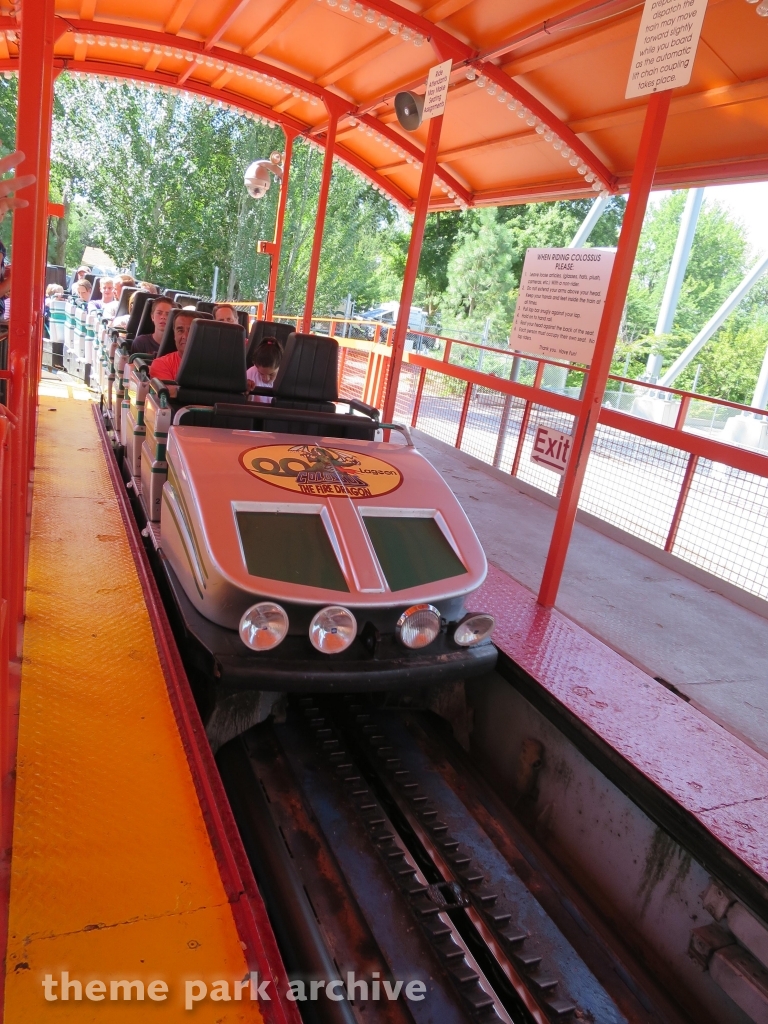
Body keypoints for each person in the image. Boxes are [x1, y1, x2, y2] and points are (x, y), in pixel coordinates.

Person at [148, 311, 196, 380]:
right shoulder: (162, 364)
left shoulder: (212, 365)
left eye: (191, 331)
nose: (185, 336)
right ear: (174, 335)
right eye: (180, 331)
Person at [247, 337, 283, 402]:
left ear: (279, 367)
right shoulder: (250, 373)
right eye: (261, 373)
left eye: (271, 374)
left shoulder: (283, 378)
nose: (266, 378)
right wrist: (246, 390)